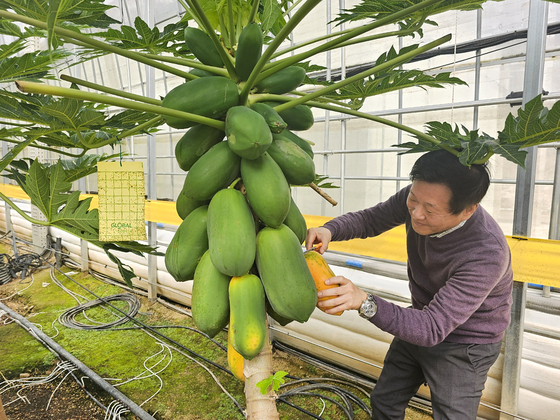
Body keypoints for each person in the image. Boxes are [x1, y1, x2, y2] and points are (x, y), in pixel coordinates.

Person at [305, 149, 513, 420]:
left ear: (467, 210)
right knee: (385, 401)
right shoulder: (420, 197)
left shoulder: (486, 253)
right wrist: (330, 229)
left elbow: (432, 328)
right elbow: (372, 219)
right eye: (413, 200)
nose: (416, 213)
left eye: (430, 209)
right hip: (420, 319)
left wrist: (363, 301)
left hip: (467, 343)